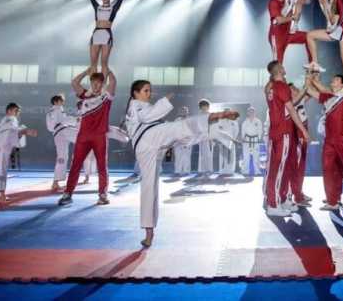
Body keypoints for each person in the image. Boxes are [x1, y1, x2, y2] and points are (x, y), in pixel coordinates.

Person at [125, 80, 239, 247]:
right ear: (135, 93)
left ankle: (149, 232)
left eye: (150, 90)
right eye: (145, 90)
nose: (149, 94)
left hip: (152, 143)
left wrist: (162, 104)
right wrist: (165, 100)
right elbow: (148, 117)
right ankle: (214, 120)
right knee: (180, 127)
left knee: (183, 137)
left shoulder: (142, 106)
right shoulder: (136, 105)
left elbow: (151, 117)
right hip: (147, 140)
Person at [305, 67, 343, 211]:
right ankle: (333, 201)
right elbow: (309, 90)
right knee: (328, 169)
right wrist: (309, 75)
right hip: (329, 141)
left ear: (342, 85)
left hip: (342, 138)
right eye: (333, 79)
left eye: (337, 79)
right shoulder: (327, 97)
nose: (333, 80)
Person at [58, 68, 117, 206]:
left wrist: (109, 71)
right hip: (83, 136)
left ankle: (102, 195)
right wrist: (86, 71)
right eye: (93, 82)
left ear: (103, 84)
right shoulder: (84, 95)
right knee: (75, 165)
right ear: (90, 83)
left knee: (102, 166)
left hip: (99, 136)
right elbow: (74, 82)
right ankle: (67, 194)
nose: (96, 85)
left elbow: (113, 82)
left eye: (99, 83)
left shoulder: (106, 97)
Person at [263, 60, 310, 217]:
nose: (285, 69)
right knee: (278, 171)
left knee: (279, 170)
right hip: (283, 133)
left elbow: (289, 105)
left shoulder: (269, 87)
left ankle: (281, 199)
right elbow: (292, 110)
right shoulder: (281, 87)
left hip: (276, 132)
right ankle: (273, 204)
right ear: (279, 70)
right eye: (282, 67)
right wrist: (303, 130)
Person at [82, 0, 134, 72]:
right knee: (93, 63)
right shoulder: (97, 7)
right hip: (96, 34)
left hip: (106, 35)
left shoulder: (114, 7)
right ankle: (93, 87)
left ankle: (103, 87)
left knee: (104, 63)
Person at [0, 103, 37, 202]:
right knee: (2, 169)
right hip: (3, 144)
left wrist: (23, 131)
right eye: (16, 110)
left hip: (2, 144)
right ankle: (2, 195)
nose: (17, 113)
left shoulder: (7, 120)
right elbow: (12, 130)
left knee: (2, 168)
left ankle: (1, 193)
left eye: (18, 111)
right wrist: (25, 131)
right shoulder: (10, 119)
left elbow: (13, 132)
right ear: (9, 111)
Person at [267, 0, 311, 64]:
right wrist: (293, 17)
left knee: (309, 37)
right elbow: (279, 20)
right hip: (277, 36)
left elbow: (308, 1)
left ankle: (312, 64)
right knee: (278, 64)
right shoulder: (273, 2)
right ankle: (276, 77)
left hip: (288, 33)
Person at [47, 94, 80, 191]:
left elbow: (52, 126)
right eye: (62, 101)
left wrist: (73, 121)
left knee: (62, 157)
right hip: (62, 131)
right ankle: (55, 182)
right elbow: (64, 120)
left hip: (58, 133)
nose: (63, 102)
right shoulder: (57, 109)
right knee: (82, 136)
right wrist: (76, 120)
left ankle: (55, 182)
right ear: (56, 102)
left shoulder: (51, 111)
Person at [288, 82, 312, 207]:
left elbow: (310, 92)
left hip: (303, 133)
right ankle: (296, 196)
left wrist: (312, 77)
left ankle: (299, 192)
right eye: (292, 89)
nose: (295, 90)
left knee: (301, 166)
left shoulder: (300, 100)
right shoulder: (289, 103)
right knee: (296, 167)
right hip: (296, 134)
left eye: (295, 88)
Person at [240, 107, 264, 175]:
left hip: (255, 139)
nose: (251, 113)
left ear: (255, 113)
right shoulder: (245, 122)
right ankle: (245, 171)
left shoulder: (258, 121)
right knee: (246, 156)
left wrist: (259, 138)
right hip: (247, 140)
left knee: (256, 156)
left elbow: (260, 130)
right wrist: (243, 138)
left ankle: (257, 171)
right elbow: (243, 131)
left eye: (252, 112)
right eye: (250, 112)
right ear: (248, 113)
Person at [171, 106, 192, 175]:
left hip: (187, 141)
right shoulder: (177, 120)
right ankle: (178, 171)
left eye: (185, 111)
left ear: (187, 112)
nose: (184, 112)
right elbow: (174, 131)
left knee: (186, 157)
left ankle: (186, 171)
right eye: (182, 111)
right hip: (178, 141)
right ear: (180, 112)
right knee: (178, 157)